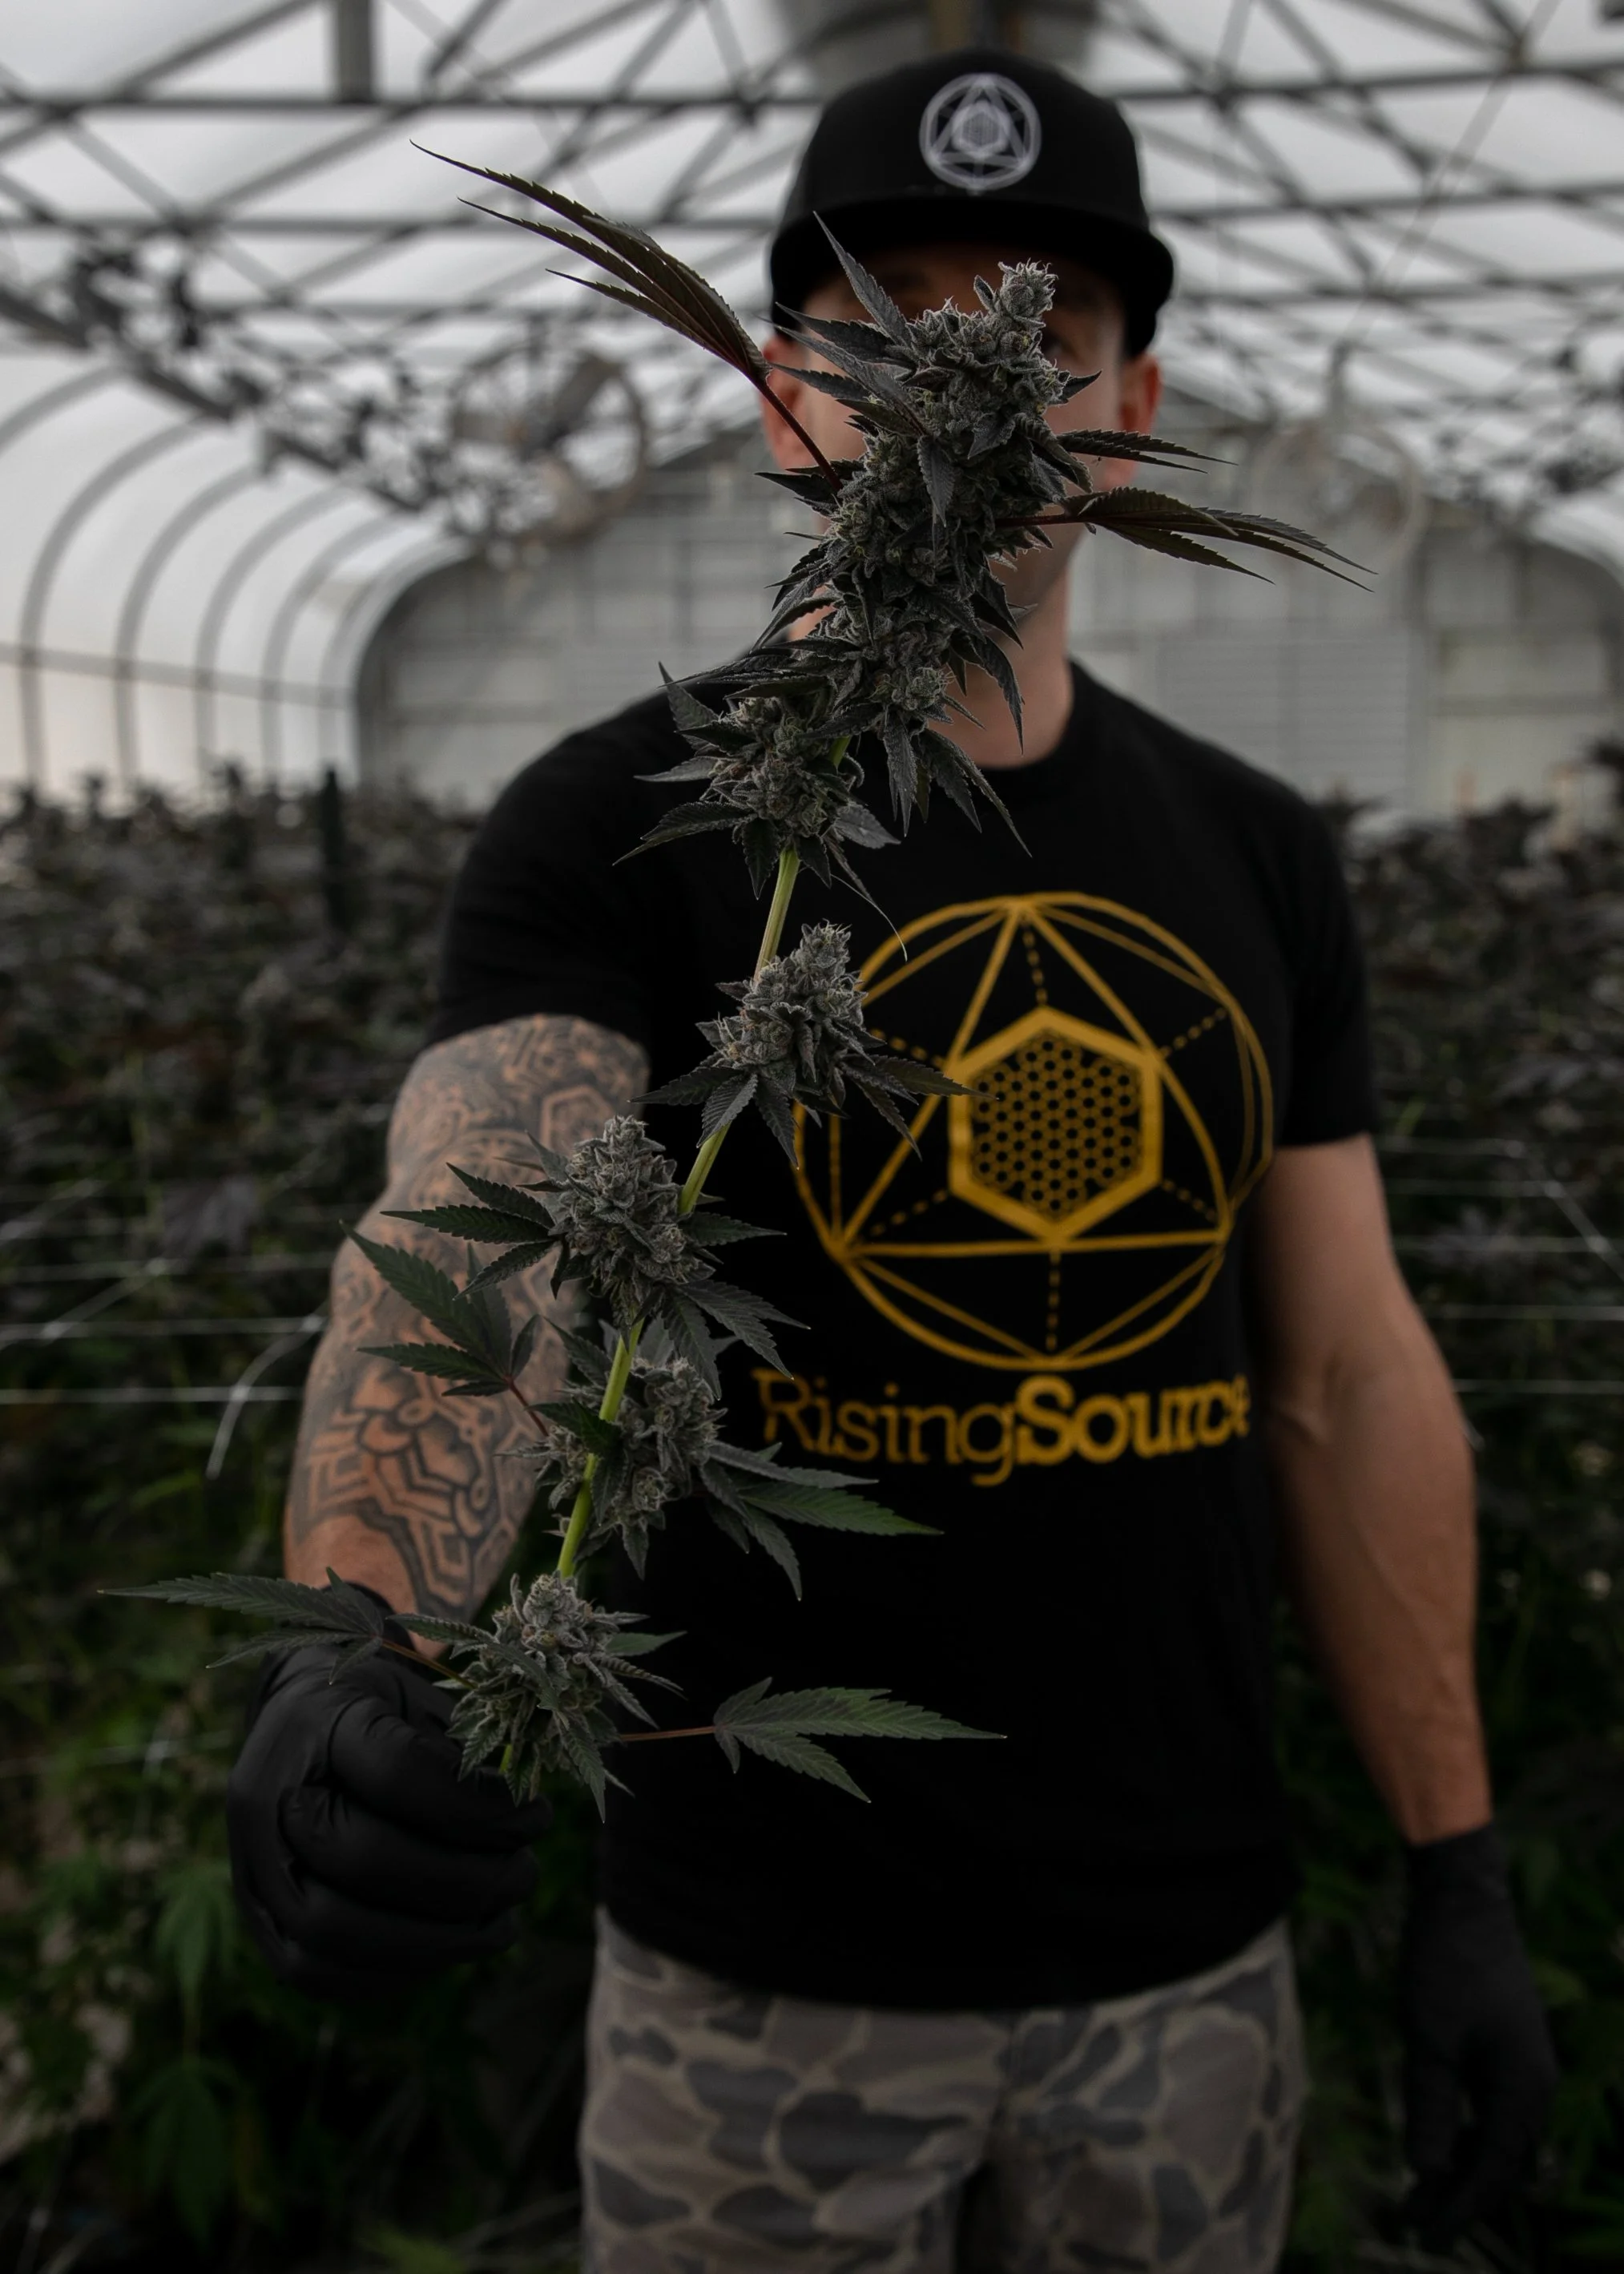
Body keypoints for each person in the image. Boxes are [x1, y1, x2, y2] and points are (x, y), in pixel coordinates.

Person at [228, 45, 1557, 2273]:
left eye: (1039, 337)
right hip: (759, 1983)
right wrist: (356, 1642)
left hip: (1184, 1969)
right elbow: (475, 1238)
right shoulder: (614, 821)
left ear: (1130, 414)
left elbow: (1341, 1371)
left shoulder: (1254, 848)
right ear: (777, 399)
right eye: (881, 326)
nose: (964, 380)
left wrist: (1461, 1858)